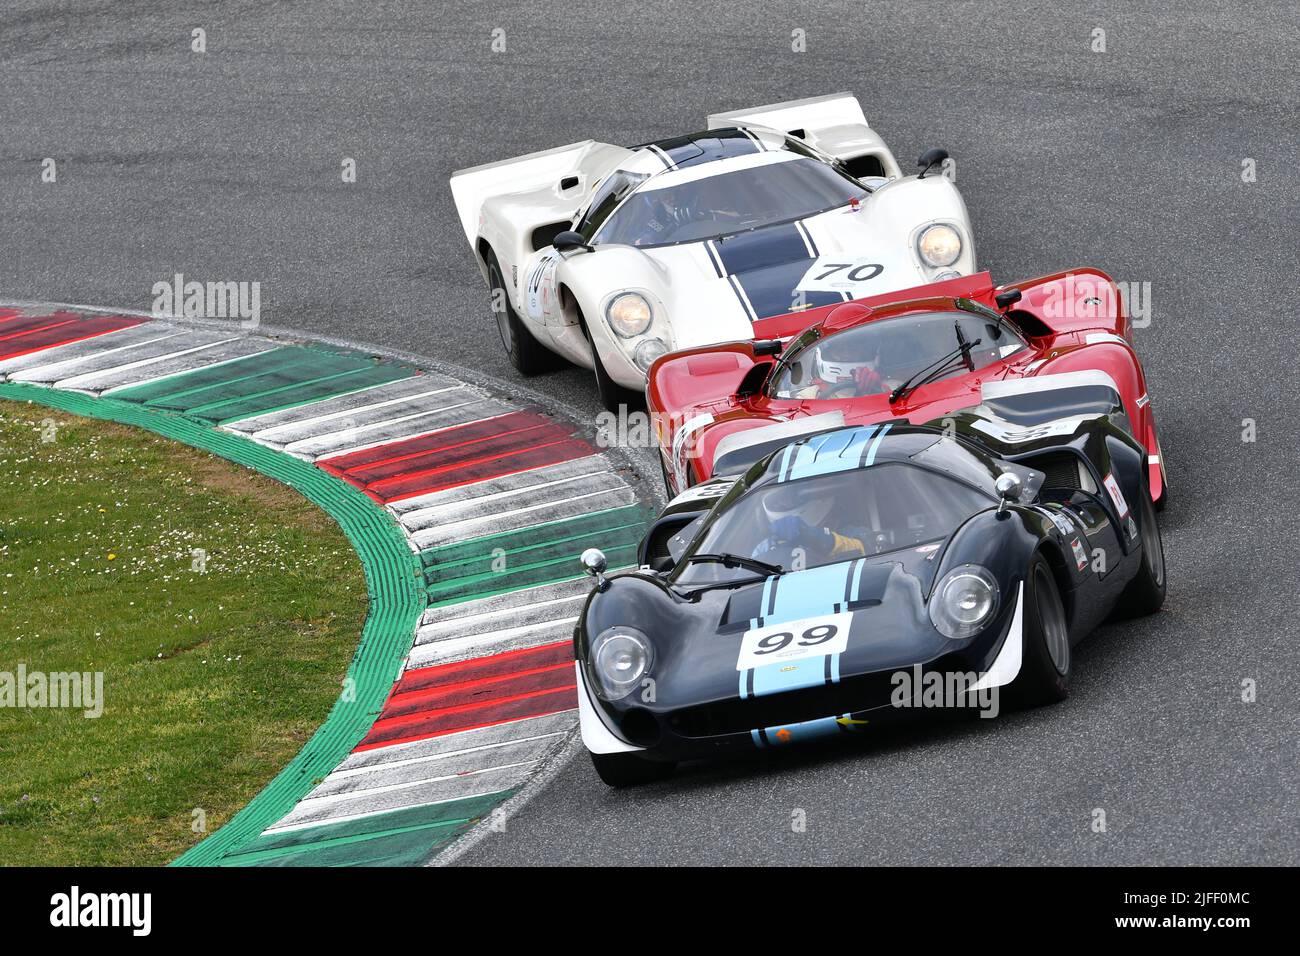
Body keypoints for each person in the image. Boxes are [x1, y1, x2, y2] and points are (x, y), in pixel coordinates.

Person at [751, 481, 869, 567]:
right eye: (779, 500)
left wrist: (822, 540)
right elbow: (745, 578)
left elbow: (873, 550)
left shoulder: (852, 533)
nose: (784, 502)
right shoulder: (765, 547)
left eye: (791, 497)